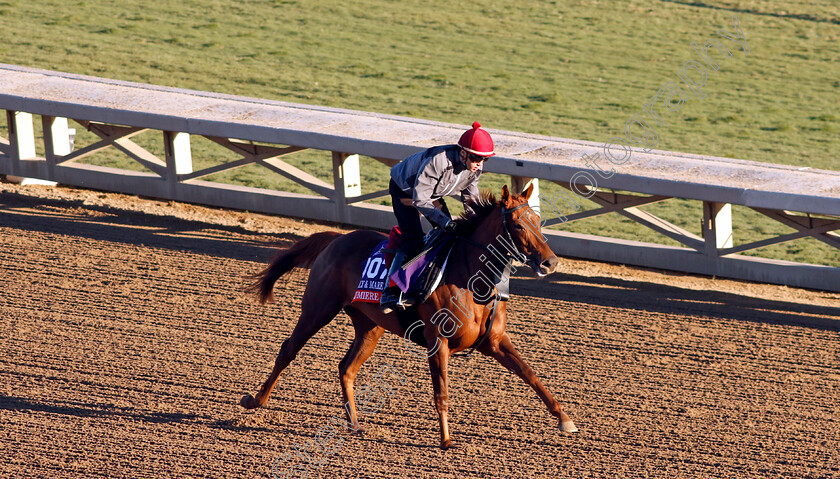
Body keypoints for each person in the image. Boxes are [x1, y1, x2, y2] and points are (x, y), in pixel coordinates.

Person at [380, 121, 495, 313]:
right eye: (476, 158)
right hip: (406, 192)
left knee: (451, 235)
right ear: (464, 152)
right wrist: (446, 222)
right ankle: (391, 291)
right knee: (413, 240)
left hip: (432, 194)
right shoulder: (438, 161)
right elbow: (420, 198)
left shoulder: (475, 167)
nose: (479, 164)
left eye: (484, 160)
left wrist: (476, 224)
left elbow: (470, 198)